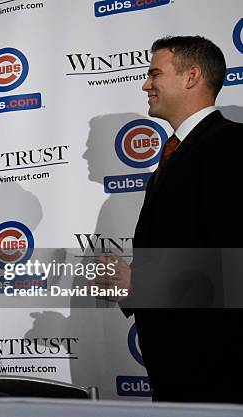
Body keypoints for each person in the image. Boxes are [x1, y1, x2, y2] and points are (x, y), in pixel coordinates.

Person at [95, 36, 243, 403]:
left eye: (155, 73)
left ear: (191, 76)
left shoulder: (230, 146)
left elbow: (232, 262)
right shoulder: (177, 153)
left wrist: (142, 283)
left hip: (217, 370)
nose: (146, 84)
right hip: (178, 367)